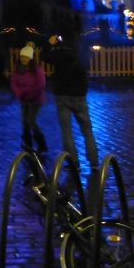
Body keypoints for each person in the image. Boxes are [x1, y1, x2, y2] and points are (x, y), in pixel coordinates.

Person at [46, 34, 99, 172]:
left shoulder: (59, 53)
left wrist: (51, 45)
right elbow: (88, 61)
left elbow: (44, 57)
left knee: (67, 131)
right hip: (79, 95)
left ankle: (73, 163)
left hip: (62, 95)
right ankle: (94, 161)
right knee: (87, 130)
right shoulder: (82, 54)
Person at [10, 38, 48, 154]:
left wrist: (30, 95)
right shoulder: (17, 69)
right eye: (22, 56)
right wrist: (20, 94)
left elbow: (40, 84)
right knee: (24, 122)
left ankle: (42, 144)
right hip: (24, 98)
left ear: (30, 58)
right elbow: (14, 83)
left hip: (36, 98)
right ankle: (27, 143)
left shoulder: (37, 69)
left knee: (30, 120)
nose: (24, 59)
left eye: (26, 57)